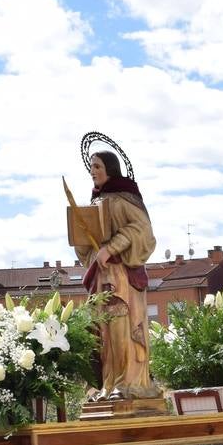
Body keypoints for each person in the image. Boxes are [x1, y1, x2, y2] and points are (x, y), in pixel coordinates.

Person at [74, 149, 158, 397]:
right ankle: (108, 384)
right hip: (102, 279)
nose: (93, 171)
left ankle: (128, 382)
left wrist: (111, 248)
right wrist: (82, 236)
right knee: (103, 334)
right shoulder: (95, 204)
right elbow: (86, 248)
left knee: (122, 327)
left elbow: (143, 231)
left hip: (122, 278)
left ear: (110, 169)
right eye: (91, 167)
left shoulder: (125, 199)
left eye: (98, 166)